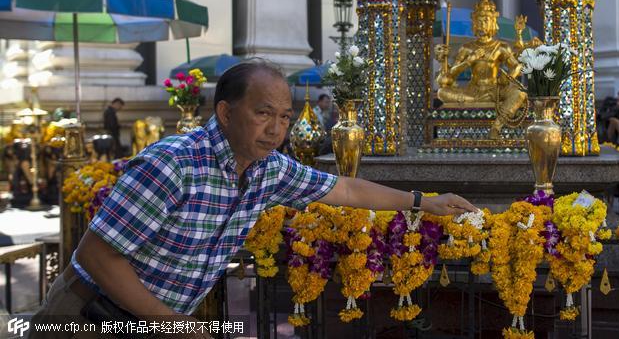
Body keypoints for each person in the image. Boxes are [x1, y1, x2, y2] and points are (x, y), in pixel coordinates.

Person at [31, 60, 476, 338]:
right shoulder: (173, 163)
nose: (277, 128)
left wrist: (423, 201)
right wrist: (174, 326)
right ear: (225, 113)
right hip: (90, 317)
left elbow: (345, 188)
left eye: (283, 117)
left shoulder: (269, 169)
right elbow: (96, 255)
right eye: (263, 113)